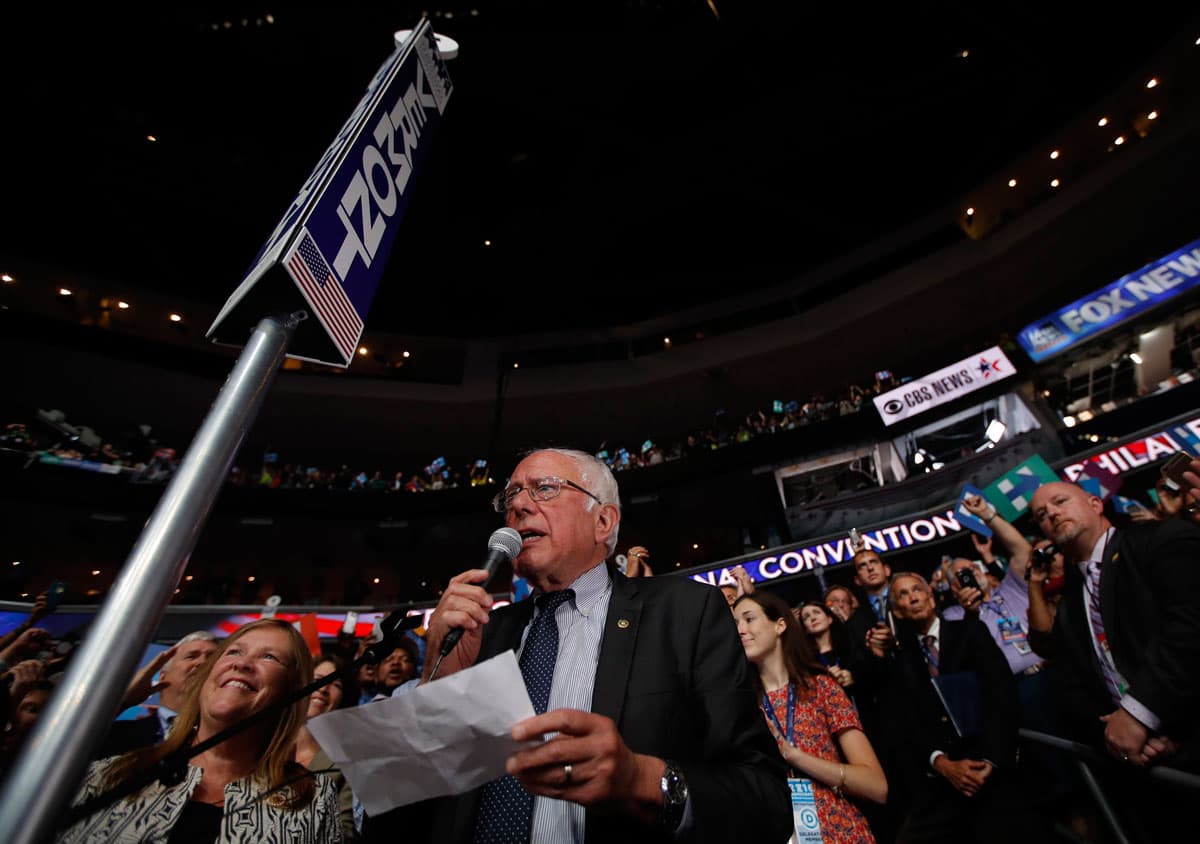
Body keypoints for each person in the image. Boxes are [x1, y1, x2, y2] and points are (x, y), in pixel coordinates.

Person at [369, 447, 791, 843]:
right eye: (511, 494)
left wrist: (642, 781)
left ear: (603, 522)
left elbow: (766, 803)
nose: (518, 505)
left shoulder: (684, 613)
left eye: (545, 488)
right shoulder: (479, 632)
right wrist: (434, 689)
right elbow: (391, 824)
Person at [59, 619, 342, 843]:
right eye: (234, 651)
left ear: (291, 693)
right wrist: (110, 706)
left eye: (269, 657)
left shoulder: (311, 800)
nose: (241, 663)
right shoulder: (113, 774)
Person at [1028, 480, 1200, 841]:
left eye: (1060, 501)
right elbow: (1075, 687)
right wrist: (1116, 733)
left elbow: (1190, 627)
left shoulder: (1158, 540)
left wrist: (1141, 713)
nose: (1052, 514)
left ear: (1095, 503)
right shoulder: (1072, 604)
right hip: (1146, 766)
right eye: (1042, 516)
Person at [869, 572, 1052, 844]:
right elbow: (905, 723)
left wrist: (990, 759)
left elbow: (1001, 694)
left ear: (931, 598)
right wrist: (941, 763)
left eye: (917, 589)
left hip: (994, 769)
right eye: (903, 595)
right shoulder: (901, 661)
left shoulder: (970, 632)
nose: (913, 597)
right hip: (943, 782)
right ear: (897, 612)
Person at [735, 591, 886, 842]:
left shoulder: (821, 688)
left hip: (842, 832)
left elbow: (876, 786)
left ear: (780, 625)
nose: (740, 630)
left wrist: (795, 756)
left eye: (748, 619)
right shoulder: (743, 706)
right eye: (735, 624)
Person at [97, 630, 219, 758]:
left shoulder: (235, 737)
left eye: (211, 658)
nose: (203, 663)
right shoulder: (118, 736)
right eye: (191, 656)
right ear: (162, 676)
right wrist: (123, 701)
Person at [297, 653, 359, 842]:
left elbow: (344, 829)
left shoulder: (347, 759)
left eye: (336, 685)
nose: (324, 689)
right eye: (318, 680)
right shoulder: (266, 742)